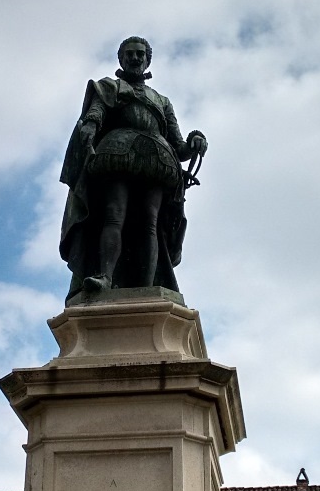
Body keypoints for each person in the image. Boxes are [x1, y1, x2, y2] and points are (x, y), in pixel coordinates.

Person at [59, 36, 208, 302]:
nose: (135, 58)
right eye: (130, 53)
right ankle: (105, 276)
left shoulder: (161, 101)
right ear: (122, 59)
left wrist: (195, 141)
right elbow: (96, 114)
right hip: (117, 154)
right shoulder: (109, 87)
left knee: (149, 223)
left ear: (148, 59)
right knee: (114, 216)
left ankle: (145, 283)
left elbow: (179, 146)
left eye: (140, 54)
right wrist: (90, 128)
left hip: (157, 161)